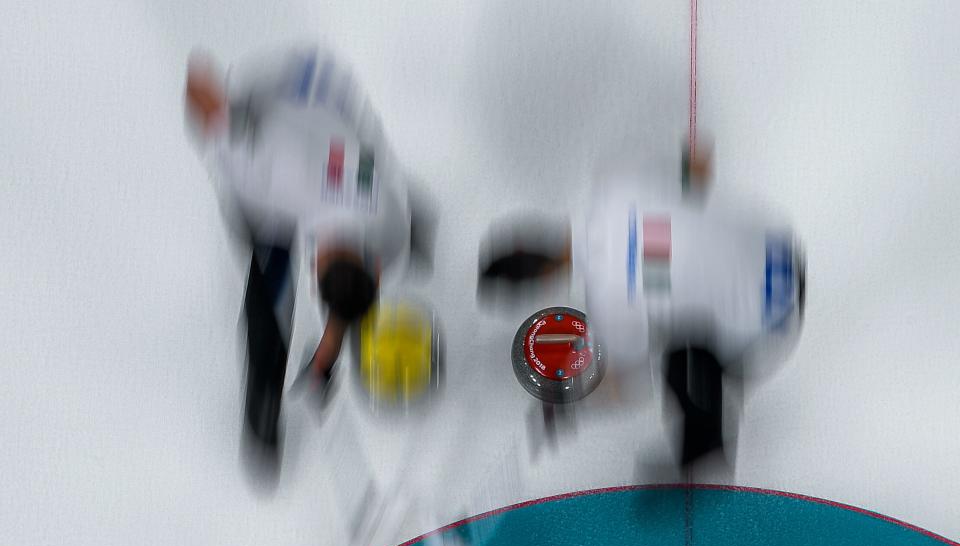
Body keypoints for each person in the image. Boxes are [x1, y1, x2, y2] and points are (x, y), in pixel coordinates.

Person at [477, 139, 805, 469]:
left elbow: (630, 386)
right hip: (777, 241)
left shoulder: (609, 304)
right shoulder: (615, 185)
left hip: (775, 313)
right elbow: (699, 163)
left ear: (544, 281)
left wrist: (567, 403)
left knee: (678, 357)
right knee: (679, 292)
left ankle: (704, 462)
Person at [185, 45, 435, 463]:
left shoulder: (390, 224)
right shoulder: (264, 174)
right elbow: (203, 94)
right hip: (279, 92)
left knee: (377, 189)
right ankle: (263, 394)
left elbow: (351, 290)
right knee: (262, 250)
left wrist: (327, 353)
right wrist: (215, 104)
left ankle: (425, 227)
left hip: (331, 102)